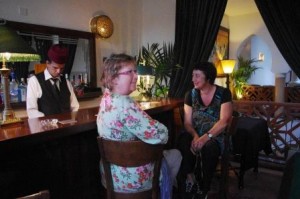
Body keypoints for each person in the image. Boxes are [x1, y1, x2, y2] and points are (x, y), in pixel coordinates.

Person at [97, 53, 181, 195]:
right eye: (130, 72)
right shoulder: (125, 104)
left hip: (110, 174)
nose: (136, 76)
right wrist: (158, 125)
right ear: (114, 78)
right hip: (132, 178)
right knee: (176, 155)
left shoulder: (107, 98)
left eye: (135, 71)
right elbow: (161, 136)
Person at [177, 61, 232, 198]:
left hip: (216, 136)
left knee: (209, 147)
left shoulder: (224, 93)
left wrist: (205, 138)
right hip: (196, 134)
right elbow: (188, 123)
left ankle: (204, 187)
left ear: (208, 77)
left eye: (197, 76)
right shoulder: (190, 95)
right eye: (192, 75)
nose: (193, 79)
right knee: (183, 139)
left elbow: (224, 121)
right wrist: (196, 136)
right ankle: (190, 177)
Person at [26, 44, 79, 118]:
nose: (58, 71)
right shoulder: (34, 81)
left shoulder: (66, 82)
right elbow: (31, 111)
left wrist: (72, 120)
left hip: (67, 126)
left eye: (62, 68)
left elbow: (75, 106)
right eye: (55, 67)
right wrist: (48, 122)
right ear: (47, 63)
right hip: (45, 128)